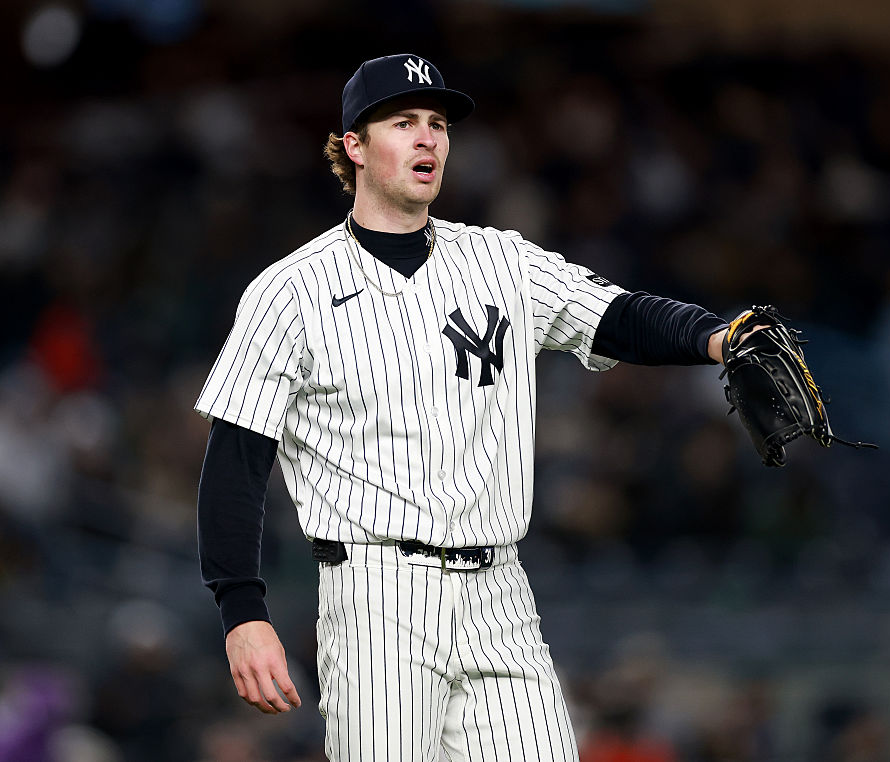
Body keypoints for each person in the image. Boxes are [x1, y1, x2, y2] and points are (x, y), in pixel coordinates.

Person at [195, 53, 733, 762]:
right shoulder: (290, 291)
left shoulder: (501, 261)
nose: (428, 139)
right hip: (376, 592)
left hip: (501, 591)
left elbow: (617, 316)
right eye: (403, 122)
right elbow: (235, 465)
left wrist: (715, 337)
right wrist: (243, 613)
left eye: (438, 124)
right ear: (354, 146)